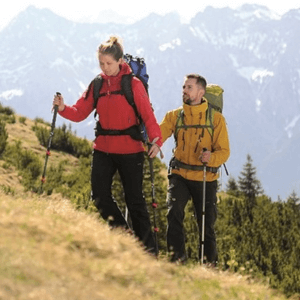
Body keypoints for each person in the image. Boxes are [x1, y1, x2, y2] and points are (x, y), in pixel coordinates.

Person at [53, 35, 162, 253]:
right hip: (103, 149)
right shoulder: (98, 84)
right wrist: (64, 108)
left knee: (135, 202)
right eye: (101, 63)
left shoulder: (133, 84)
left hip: (131, 150)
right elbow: (80, 112)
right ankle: (124, 235)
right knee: (99, 196)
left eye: (108, 63)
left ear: (120, 61)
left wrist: (156, 140)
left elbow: (148, 115)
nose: (105, 67)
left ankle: (149, 253)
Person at [159, 74, 230, 264]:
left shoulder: (216, 120)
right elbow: (159, 134)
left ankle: (209, 266)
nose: (184, 90)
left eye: (189, 87)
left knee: (206, 225)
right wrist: (150, 143)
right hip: (180, 174)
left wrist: (211, 158)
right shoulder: (174, 116)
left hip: (205, 177)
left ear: (201, 92)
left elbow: (224, 152)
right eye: (184, 87)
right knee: (174, 212)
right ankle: (176, 260)